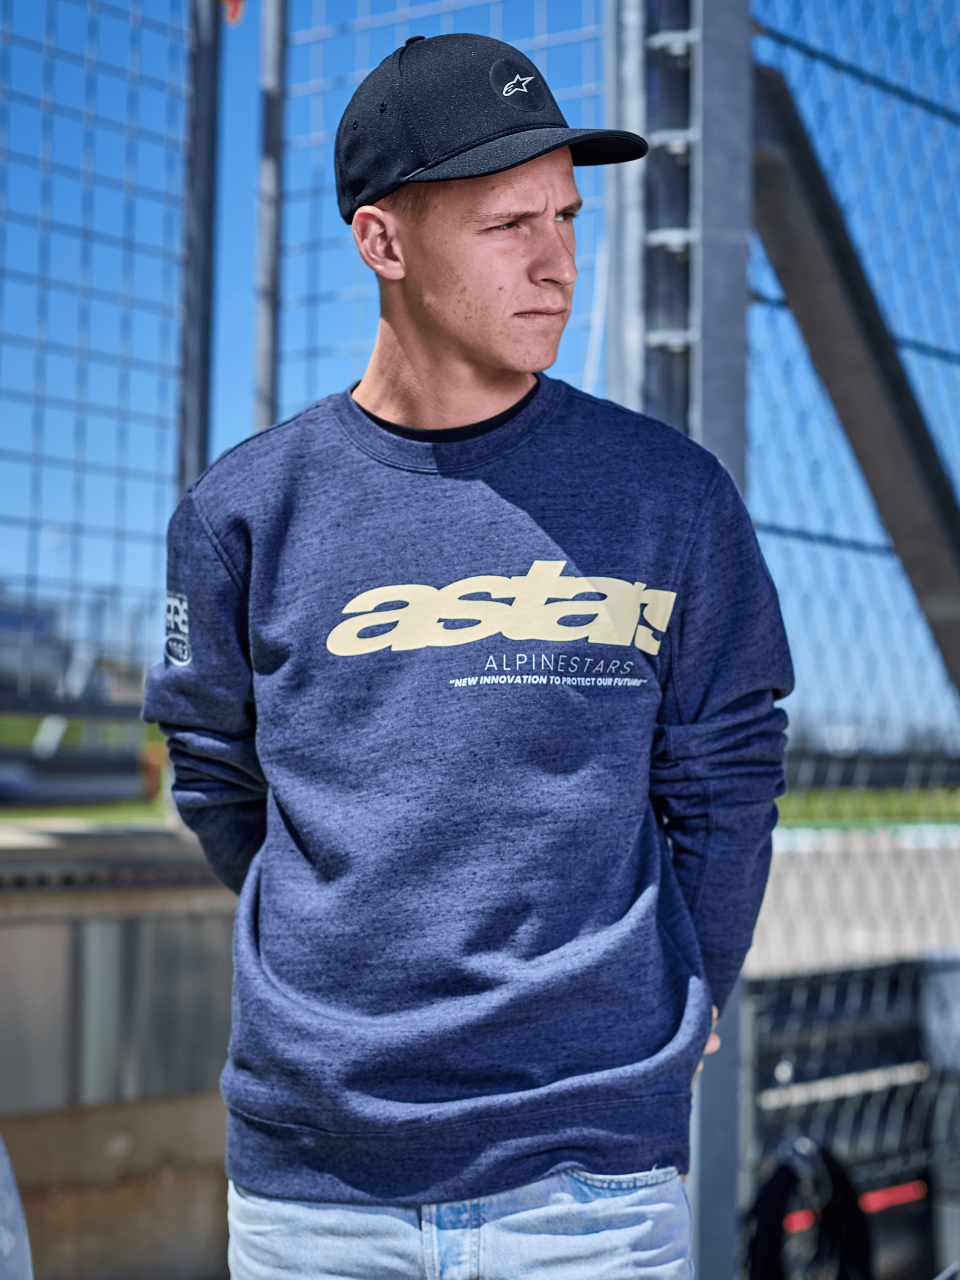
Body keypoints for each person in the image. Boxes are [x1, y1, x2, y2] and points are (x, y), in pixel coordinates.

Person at [143, 32, 793, 1280]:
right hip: (320, 1187)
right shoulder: (245, 512)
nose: (559, 263)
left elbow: (728, 769)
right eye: (508, 225)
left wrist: (698, 976)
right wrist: (353, 938)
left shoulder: (672, 496)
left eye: (567, 217)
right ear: (382, 243)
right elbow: (216, 771)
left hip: (594, 1185)